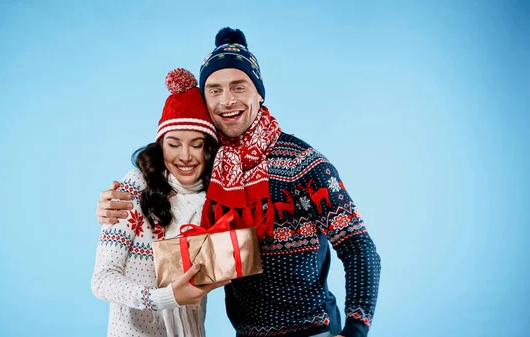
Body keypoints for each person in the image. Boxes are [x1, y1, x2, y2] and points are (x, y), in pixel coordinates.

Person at [97, 28, 381, 337]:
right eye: (215, 90)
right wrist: (116, 203)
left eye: (238, 87)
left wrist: (356, 328)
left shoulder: (303, 163)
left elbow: (358, 246)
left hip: (313, 329)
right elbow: (165, 177)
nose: (227, 100)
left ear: (258, 92)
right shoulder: (209, 166)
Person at [91, 68, 229, 337]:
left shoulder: (213, 201)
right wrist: (164, 297)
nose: (185, 156)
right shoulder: (135, 187)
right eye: (174, 144)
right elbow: (102, 280)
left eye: (197, 144)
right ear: (161, 145)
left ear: (209, 148)